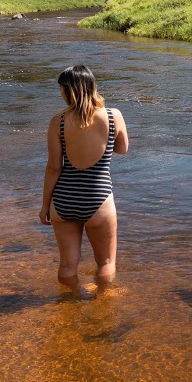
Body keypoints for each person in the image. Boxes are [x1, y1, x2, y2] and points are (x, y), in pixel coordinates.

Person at [41, 64, 129, 289]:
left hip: (63, 201)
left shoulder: (57, 122)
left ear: (68, 91)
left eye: (61, 90)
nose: (61, 95)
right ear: (91, 87)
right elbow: (122, 149)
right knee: (106, 263)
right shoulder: (113, 116)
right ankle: (103, 310)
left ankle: (69, 307)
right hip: (98, 199)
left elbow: (53, 168)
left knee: (67, 266)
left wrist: (45, 206)